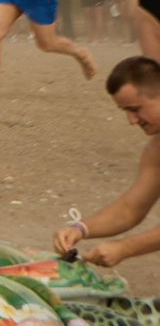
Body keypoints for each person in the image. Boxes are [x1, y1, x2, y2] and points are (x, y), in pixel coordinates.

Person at [53, 57, 160, 267]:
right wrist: (80, 228)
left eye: (135, 109)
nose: (132, 121)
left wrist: (125, 248)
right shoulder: (156, 150)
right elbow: (130, 209)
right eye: (126, 112)